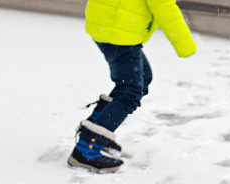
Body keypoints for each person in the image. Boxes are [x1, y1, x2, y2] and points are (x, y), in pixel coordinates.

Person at [68, 0, 197, 173]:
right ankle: (86, 149)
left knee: (141, 79)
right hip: (120, 34)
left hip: (110, 26)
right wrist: (185, 45)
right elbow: (164, 8)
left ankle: (94, 131)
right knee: (131, 91)